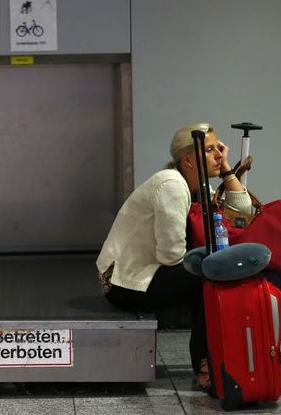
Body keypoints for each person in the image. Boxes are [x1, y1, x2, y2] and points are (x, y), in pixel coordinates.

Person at [96, 123, 252, 390]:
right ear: (188, 159)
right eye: (211, 150)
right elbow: (170, 256)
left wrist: (227, 168)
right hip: (123, 281)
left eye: (220, 149)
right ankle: (206, 364)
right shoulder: (172, 185)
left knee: (209, 273)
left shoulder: (194, 184)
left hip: (147, 272)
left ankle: (209, 361)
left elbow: (243, 212)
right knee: (208, 278)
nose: (218, 154)